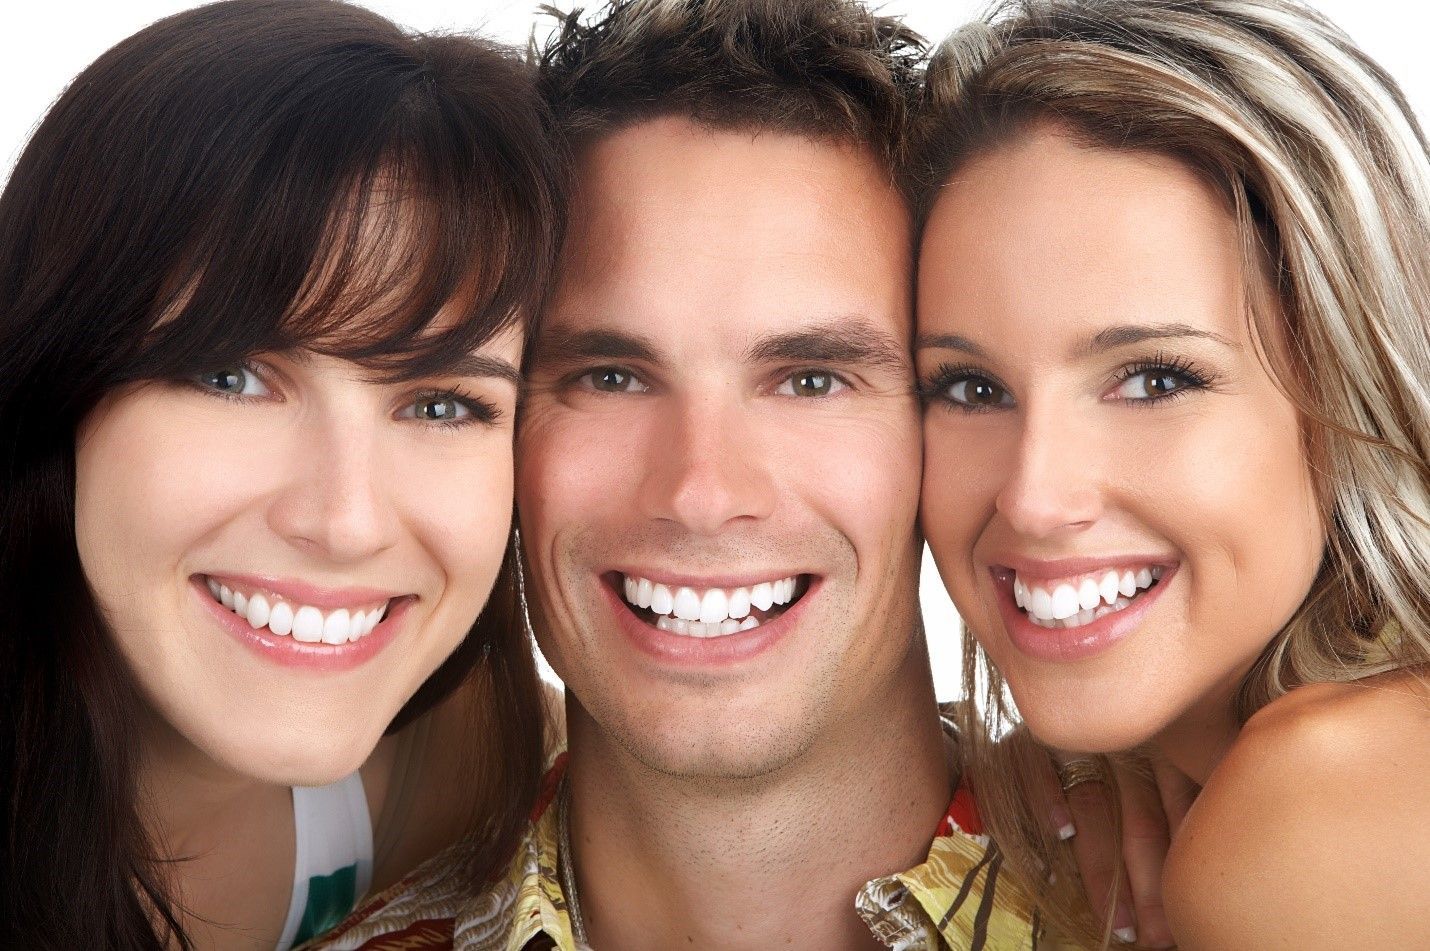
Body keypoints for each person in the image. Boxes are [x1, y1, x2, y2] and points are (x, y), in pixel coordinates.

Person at [312, 2, 1176, 948]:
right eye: (610, 376)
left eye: (811, 378)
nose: (701, 491)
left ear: (949, 424)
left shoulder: (1219, 899)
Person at [0, 1, 563, 947]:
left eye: (440, 404)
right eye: (231, 375)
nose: (344, 520)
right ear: (59, 382)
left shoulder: (472, 757)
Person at [911, 0, 1430, 947]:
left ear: (1348, 387)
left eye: (1154, 379)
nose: (1034, 495)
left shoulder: (1317, 811)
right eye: (970, 386)